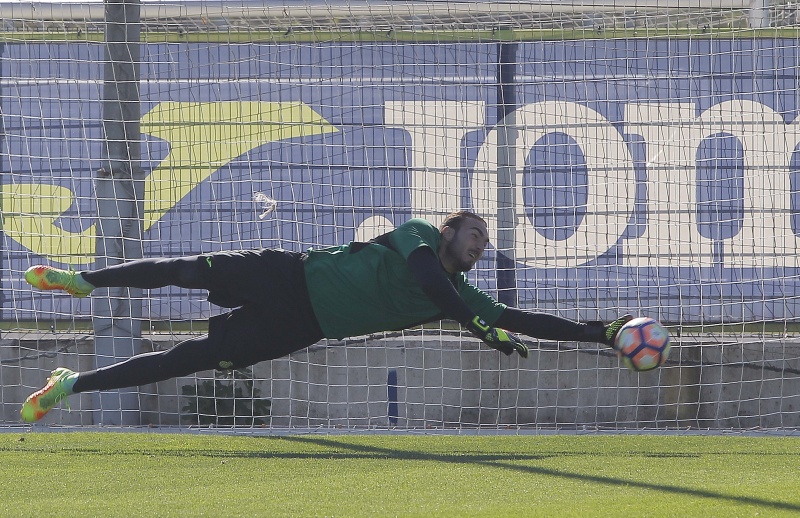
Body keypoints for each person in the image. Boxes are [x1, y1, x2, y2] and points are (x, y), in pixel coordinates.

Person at [20, 210, 629, 422]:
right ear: (448, 229)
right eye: (473, 234)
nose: (479, 246)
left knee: (189, 360)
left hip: (301, 326)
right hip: (290, 275)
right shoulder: (417, 238)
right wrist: (475, 327)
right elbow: (425, 278)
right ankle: (81, 281)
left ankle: (71, 385)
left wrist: (600, 332)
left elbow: (524, 320)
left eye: (484, 243)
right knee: (184, 267)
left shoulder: (465, 296)